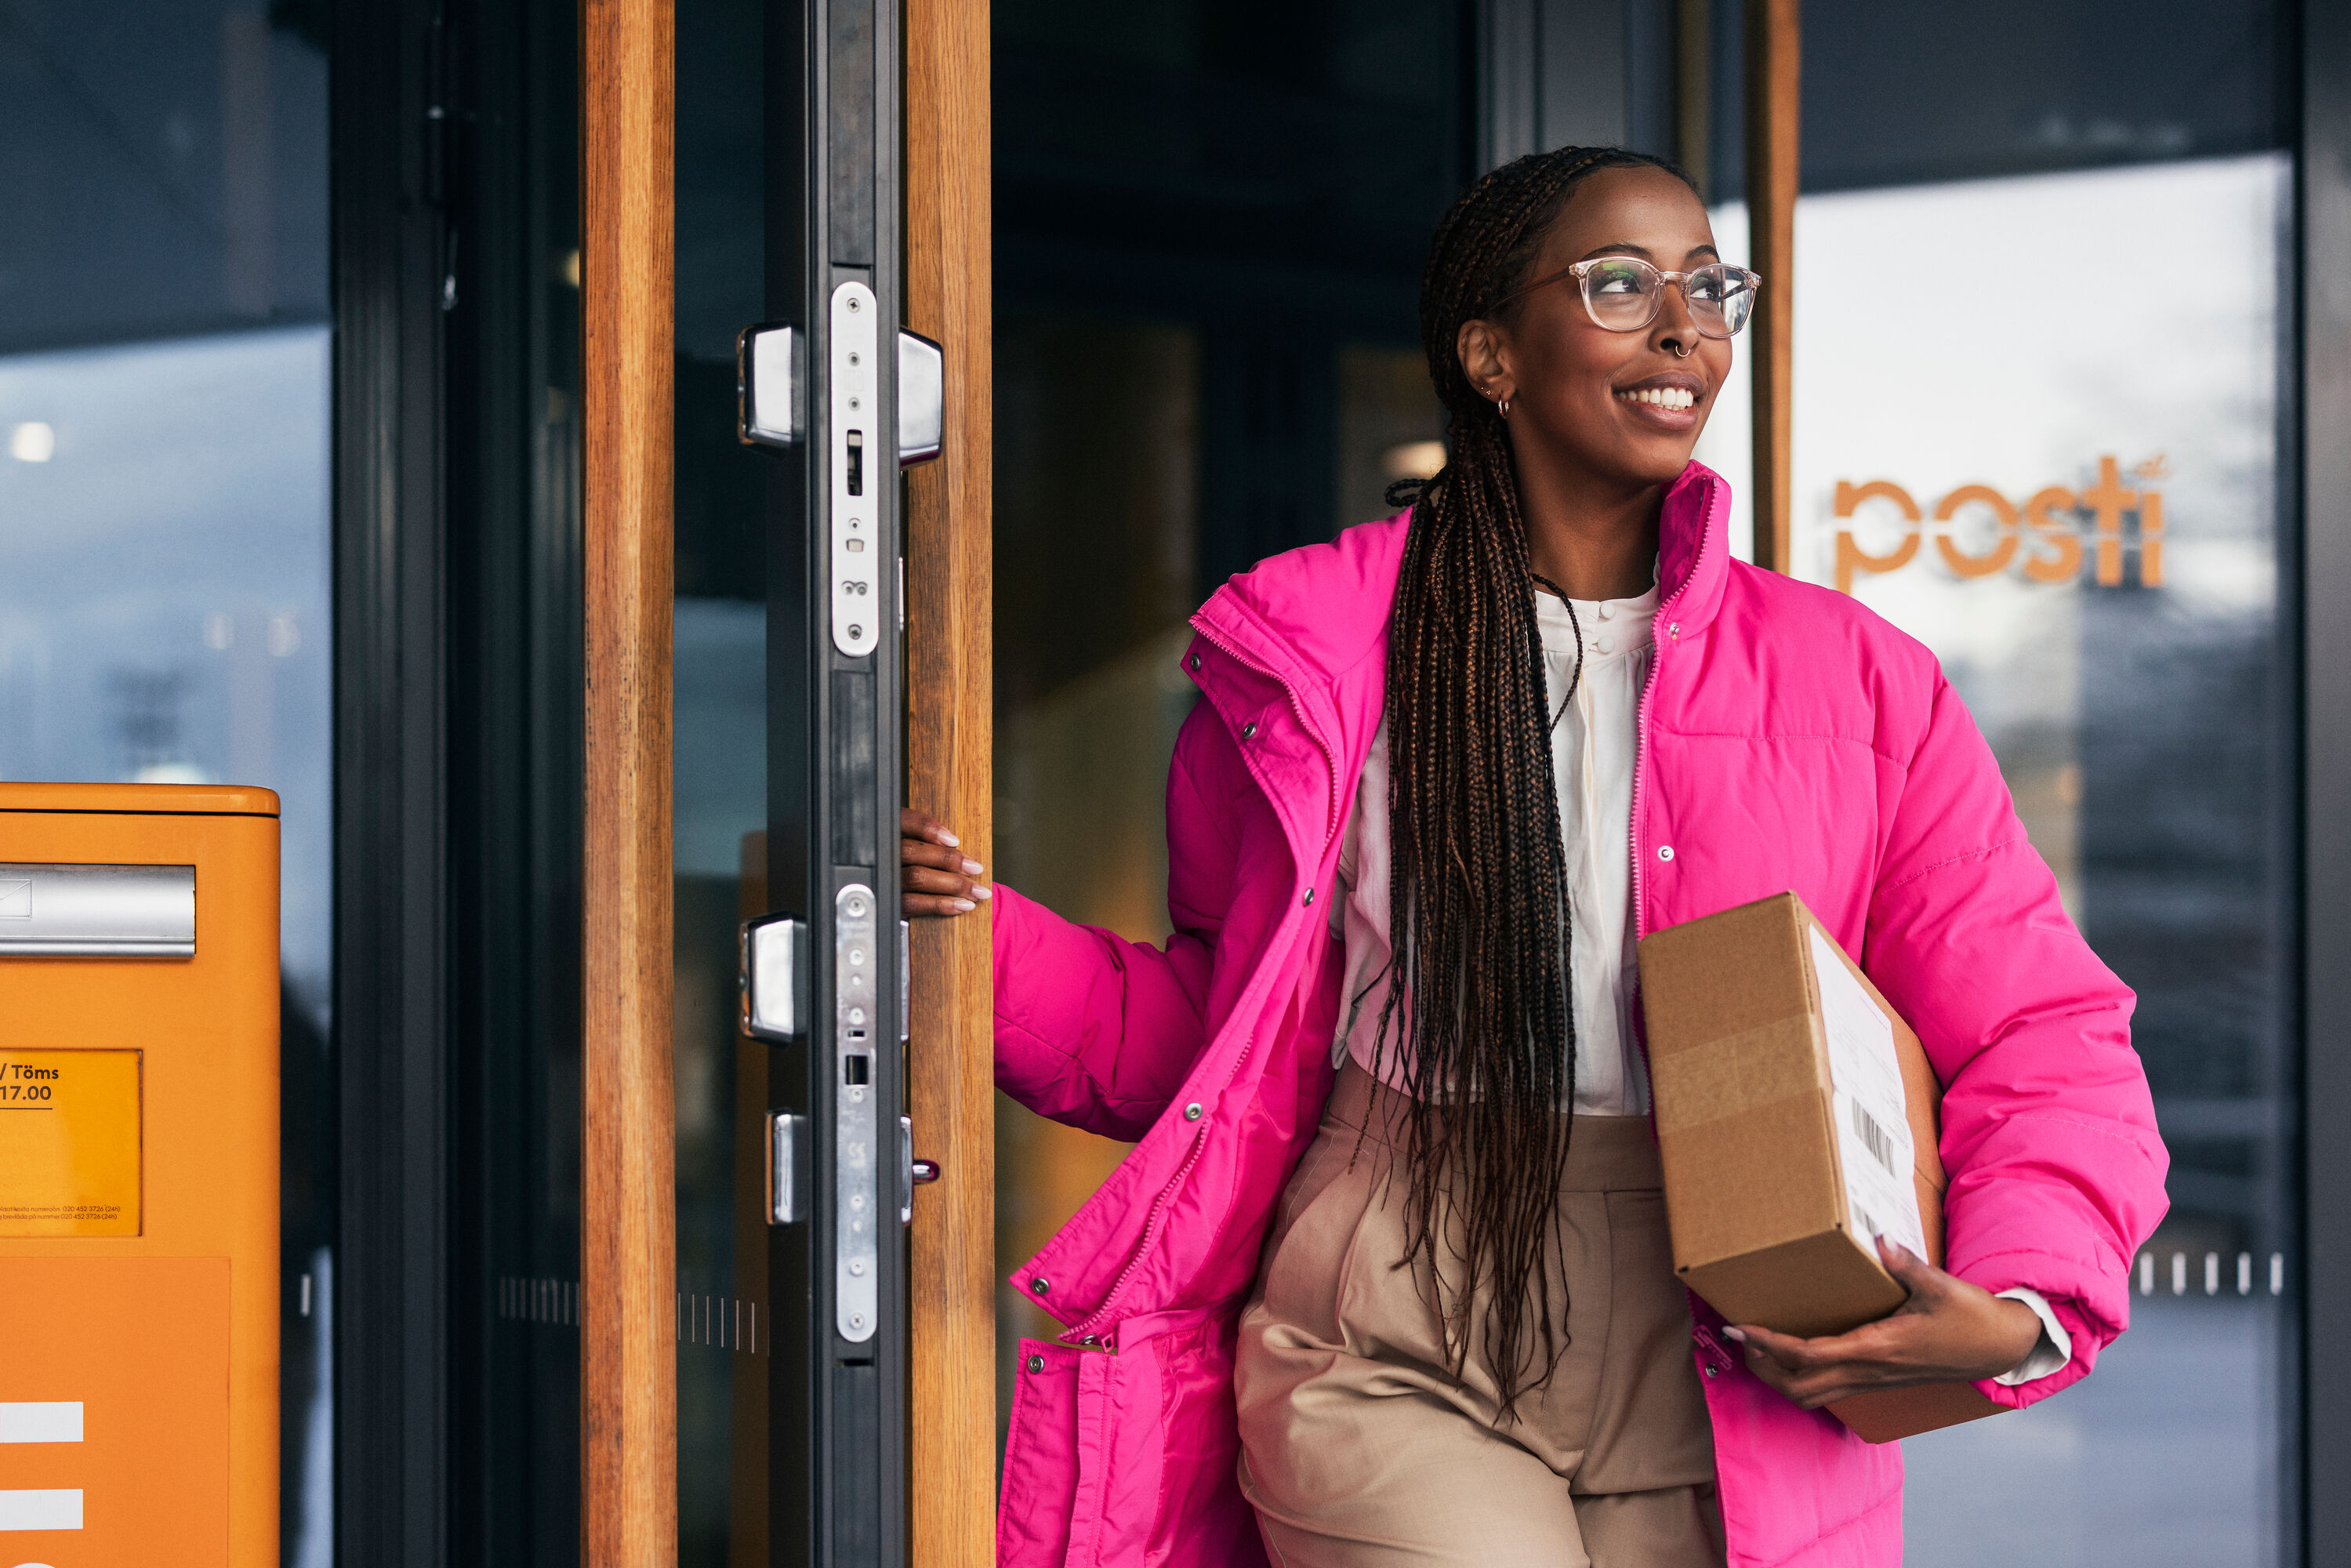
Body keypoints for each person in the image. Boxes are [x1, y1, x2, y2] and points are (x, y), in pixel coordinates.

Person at [902, 146, 2167, 1568]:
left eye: (1709, 285)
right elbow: (1216, 1036)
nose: (1685, 327)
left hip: (1735, 1331)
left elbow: (2038, 1024)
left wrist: (2024, 1297)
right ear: (1492, 352)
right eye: (1622, 284)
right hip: (1394, 1314)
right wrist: (971, 940)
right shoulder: (1313, 655)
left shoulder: (1863, 683)